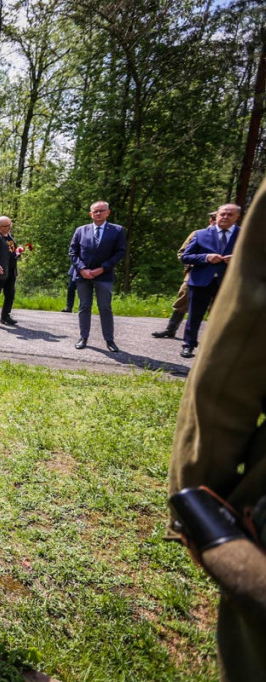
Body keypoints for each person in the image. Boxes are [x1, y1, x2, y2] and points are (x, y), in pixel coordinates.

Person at [168, 183, 265, 681]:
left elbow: (236, 353)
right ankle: (182, 337)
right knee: (194, 321)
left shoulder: (253, 231)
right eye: (224, 212)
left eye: (234, 213)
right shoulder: (203, 235)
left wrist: (197, 493)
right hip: (204, 279)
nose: (228, 217)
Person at [178, 203, 242, 358]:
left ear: (237, 217)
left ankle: (220, 347)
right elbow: (185, 257)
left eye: (229, 214)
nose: (225, 217)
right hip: (201, 281)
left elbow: (256, 258)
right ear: (217, 215)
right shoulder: (200, 234)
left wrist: (237, 259)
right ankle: (188, 345)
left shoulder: (246, 235)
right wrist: (206, 257)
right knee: (194, 315)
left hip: (229, 283)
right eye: (222, 214)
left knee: (226, 317)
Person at [68, 201, 126, 352]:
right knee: (84, 306)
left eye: (101, 211)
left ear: (108, 212)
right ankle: (83, 337)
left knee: (105, 308)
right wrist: (82, 269)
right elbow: (72, 252)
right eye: (95, 211)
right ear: (90, 214)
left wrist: (103, 268)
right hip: (83, 276)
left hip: (104, 276)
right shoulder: (81, 230)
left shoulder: (117, 230)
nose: (98, 213)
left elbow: (120, 252)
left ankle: (109, 340)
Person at [151, 226, 202, 339]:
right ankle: (170, 329)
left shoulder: (234, 234)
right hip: (194, 273)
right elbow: (182, 253)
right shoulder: (198, 234)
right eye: (213, 218)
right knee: (183, 297)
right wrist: (192, 262)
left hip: (221, 276)